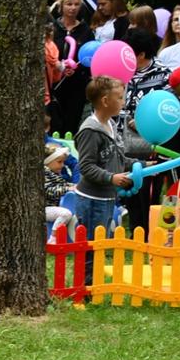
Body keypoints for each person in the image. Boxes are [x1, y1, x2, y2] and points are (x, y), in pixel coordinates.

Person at [75, 75, 137, 240]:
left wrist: (143, 165)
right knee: (91, 245)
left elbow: (117, 158)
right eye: (119, 98)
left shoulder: (111, 125)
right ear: (105, 101)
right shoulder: (90, 131)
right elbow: (86, 166)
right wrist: (111, 178)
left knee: (101, 243)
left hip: (107, 196)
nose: (123, 102)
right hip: (92, 200)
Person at [47, 0, 94, 136]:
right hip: (54, 85)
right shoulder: (53, 28)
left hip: (76, 85)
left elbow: (90, 59)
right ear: (61, 6)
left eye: (76, 4)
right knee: (53, 124)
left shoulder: (86, 31)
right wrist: (59, 67)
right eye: (69, 4)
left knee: (70, 125)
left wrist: (77, 69)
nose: (73, 8)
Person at [42, 144, 76, 236]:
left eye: (63, 162)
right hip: (45, 208)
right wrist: (67, 189)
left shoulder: (55, 174)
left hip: (53, 207)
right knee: (65, 214)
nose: (62, 165)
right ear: (48, 162)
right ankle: (53, 237)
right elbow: (48, 190)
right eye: (59, 162)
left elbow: (64, 184)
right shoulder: (44, 174)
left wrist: (76, 186)